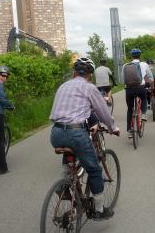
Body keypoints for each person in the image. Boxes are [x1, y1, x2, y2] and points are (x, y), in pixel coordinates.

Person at [49, 57, 120, 221]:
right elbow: (102, 111)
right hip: (76, 133)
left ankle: (65, 183)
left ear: (74, 72)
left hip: (56, 133)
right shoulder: (89, 88)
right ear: (90, 74)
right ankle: (100, 210)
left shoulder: (63, 86)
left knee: (70, 158)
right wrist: (112, 128)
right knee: (94, 170)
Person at [122, 49, 153, 139]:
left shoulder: (125, 65)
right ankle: (143, 114)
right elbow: (150, 77)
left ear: (132, 56)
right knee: (143, 98)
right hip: (140, 88)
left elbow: (122, 78)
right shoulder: (144, 64)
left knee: (130, 109)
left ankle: (129, 130)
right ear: (140, 56)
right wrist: (151, 86)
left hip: (129, 89)